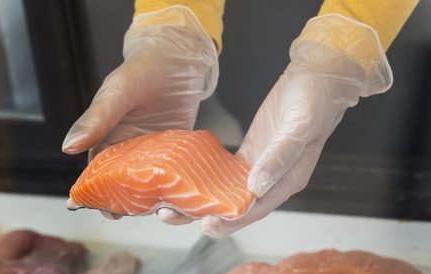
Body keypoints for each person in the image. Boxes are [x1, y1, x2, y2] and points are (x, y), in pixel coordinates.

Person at [61, 0, 419, 237]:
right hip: (251, 30)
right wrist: (174, 25)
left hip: (391, 47)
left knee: (385, 186)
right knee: (276, 164)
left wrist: (343, 49)